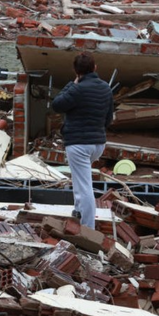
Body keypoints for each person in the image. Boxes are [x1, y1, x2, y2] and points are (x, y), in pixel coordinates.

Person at [51, 52, 114, 229]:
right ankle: (78, 212)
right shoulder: (105, 88)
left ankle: (88, 228)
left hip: (79, 144)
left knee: (84, 186)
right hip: (98, 144)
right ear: (95, 68)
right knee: (80, 181)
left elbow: (57, 105)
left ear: (75, 70)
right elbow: (109, 119)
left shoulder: (76, 89)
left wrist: (71, 83)